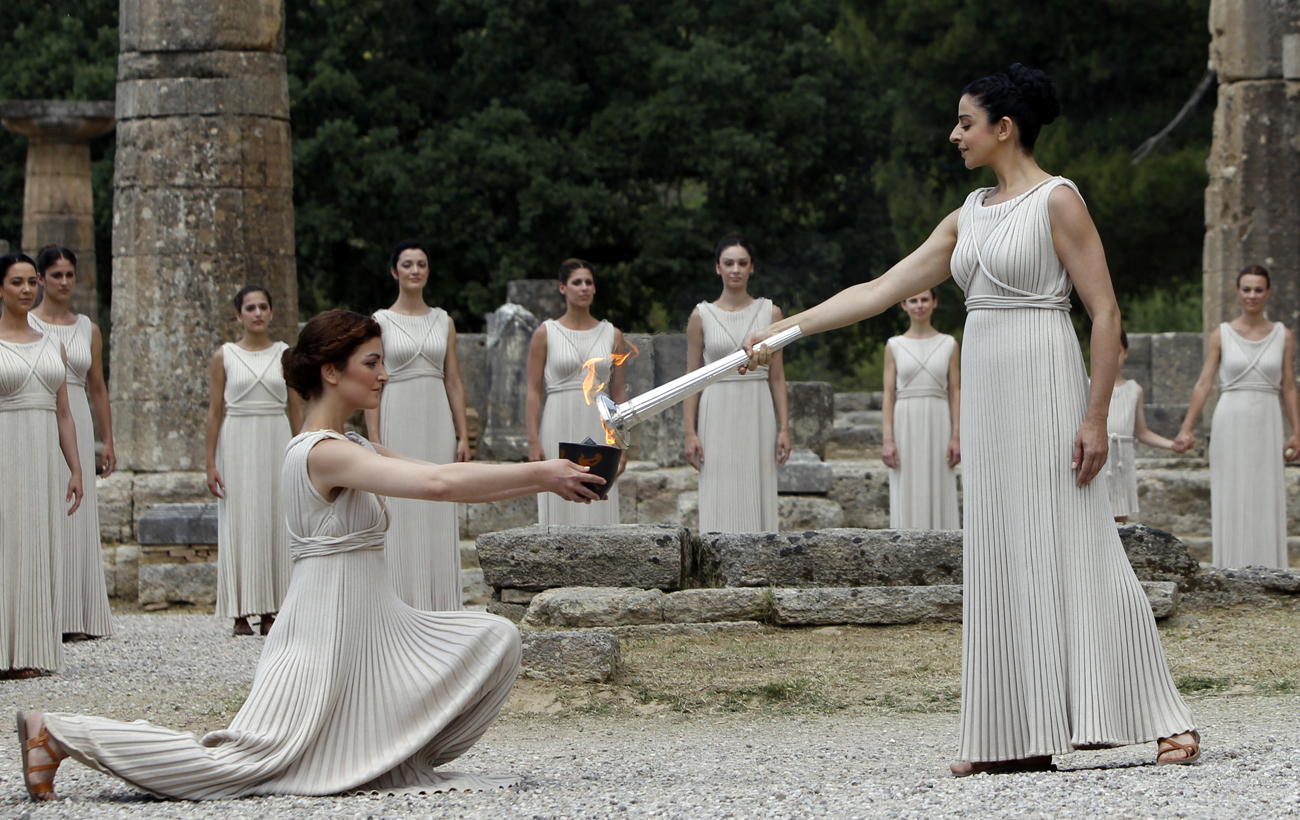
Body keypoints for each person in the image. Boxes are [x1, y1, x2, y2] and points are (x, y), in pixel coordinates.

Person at [742, 65, 1199, 773]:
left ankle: (1162, 719)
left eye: (965, 121)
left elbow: (1105, 313)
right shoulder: (967, 214)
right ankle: (1014, 734)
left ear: (1003, 127)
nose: (954, 134)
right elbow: (879, 289)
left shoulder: (1059, 201)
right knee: (999, 545)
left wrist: (1094, 416)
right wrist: (784, 331)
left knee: (1079, 541)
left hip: (1046, 376)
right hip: (989, 387)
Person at [17, 309, 602, 802]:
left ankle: (381, 754)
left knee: (494, 639)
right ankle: (60, 732)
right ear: (330, 371)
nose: (384, 374)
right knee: (244, 765)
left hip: (374, 623)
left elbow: (442, 471)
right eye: (371, 363)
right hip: (323, 629)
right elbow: (438, 488)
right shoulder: (321, 453)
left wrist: (549, 475)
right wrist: (543, 475)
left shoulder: (355, 444)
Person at [365, 240, 471, 610]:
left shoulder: (444, 321)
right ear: (394, 272)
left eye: (421, 264)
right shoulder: (379, 321)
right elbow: (373, 380)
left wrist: (462, 434)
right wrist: (374, 436)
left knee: (439, 499)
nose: (414, 270)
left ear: (428, 271)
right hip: (398, 412)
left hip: (436, 418)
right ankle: (401, 600)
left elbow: (453, 380)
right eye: (407, 264)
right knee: (401, 504)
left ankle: (440, 602)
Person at [1174, 266, 1300, 568]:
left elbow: (1288, 385)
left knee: (1266, 492)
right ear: (1237, 292)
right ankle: (1230, 568)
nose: (1252, 295)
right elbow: (1205, 382)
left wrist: (1297, 431)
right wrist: (1186, 428)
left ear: (1268, 293)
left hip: (1267, 418)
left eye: (1258, 289)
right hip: (1230, 418)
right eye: (1247, 289)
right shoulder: (1222, 334)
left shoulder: (1283, 335)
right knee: (1232, 491)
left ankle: (1270, 569)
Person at [0, 253, 82, 679]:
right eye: (16, 282)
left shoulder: (55, 344)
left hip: (41, 458)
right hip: (4, 453)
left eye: (32, 281)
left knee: (34, 544)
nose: (27, 289)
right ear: (0, 288)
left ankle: (30, 647)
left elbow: (64, 413)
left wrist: (75, 468)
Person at [205, 285, 304, 636]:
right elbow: (215, 412)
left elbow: (295, 408)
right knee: (242, 519)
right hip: (238, 441)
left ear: (272, 313)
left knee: (275, 518)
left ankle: (274, 608)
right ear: (239, 315)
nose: (258, 313)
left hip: (275, 437)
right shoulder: (225, 355)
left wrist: (301, 448)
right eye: (250, 308)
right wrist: (210, 462)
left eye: (264, 307)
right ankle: (240, 611)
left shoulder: (285, 354)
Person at [30, 246, 115, 642]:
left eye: (69, 275)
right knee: (44, 507)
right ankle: (43, 609)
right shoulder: (24, 323)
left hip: (76, 414)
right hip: (38, 416)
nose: (64, 282)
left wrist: (107, 439)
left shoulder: (88, 328)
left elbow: (97, 387)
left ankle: (77, 612)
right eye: (56, 275)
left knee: (76, 514)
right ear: (41, 279)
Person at [684, 235, 792, 533]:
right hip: (716, 406)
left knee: (755, 477)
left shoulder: (771, 314)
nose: (735, 269)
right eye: (728, 263)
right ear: (717, 267)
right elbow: (692, 377)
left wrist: (784, 427)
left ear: (751, 268)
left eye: (742, 263)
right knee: (719, 480)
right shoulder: (701, 315)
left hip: (756, 406)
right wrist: (689, 431)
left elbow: (778, 376)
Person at [526, 259, 627, 525]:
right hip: (557, 420)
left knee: (598, 498)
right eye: (576, 282)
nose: (583, 288)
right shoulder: (545, 333)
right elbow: (533, 390)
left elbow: (618, 392)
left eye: (589, 282)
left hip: (600, 421)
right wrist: (533, 440)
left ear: (594, 289)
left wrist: (622, 443)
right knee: (558, 498)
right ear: (563, 288)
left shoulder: (612, 334)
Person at [881, 288, 961, 529]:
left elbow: (955, 391)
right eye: (913, 300)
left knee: (938, 480)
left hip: (938, 420)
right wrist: (887, 439)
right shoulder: (894, 345)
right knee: (907, 482)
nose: (919, 305)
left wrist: (957, 435)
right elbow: (888, 393)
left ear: (934, 303)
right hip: (905, 420)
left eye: (925, 299)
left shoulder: (949, 344)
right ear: (904, 305)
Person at [1106, 330, 1179, 523]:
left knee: (1121, 520)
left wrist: (1172, 445)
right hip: (1100, 460)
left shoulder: (1134, 390)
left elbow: (1142, 432)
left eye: (1117, 351)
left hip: (1122, 462)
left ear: (1126, 352)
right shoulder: (1087, 386)